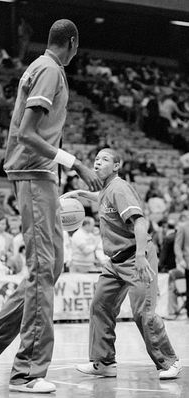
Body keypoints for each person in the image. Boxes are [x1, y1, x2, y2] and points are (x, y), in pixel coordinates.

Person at [0, 19, 102, 394]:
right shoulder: (50, 70)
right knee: (43, 269)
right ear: (72, 42)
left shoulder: (44, 68)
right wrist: (77, 164)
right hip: (33, 171)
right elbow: (26, 132)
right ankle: (27, 372)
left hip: (42, 176)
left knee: (52, 265)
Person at [61, 148, 181, 380]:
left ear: (117, 166)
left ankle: (170, 362)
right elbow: (100, 198)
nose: (97, 163)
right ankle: (104, 362)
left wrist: (140, 256)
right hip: (114, 262)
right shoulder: (107, 190)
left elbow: (139, 221)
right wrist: (79, 192)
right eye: (95, 159)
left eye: (104, 159)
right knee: (100, 306)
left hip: (136, 257)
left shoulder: (120, 188)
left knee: (143, 314)